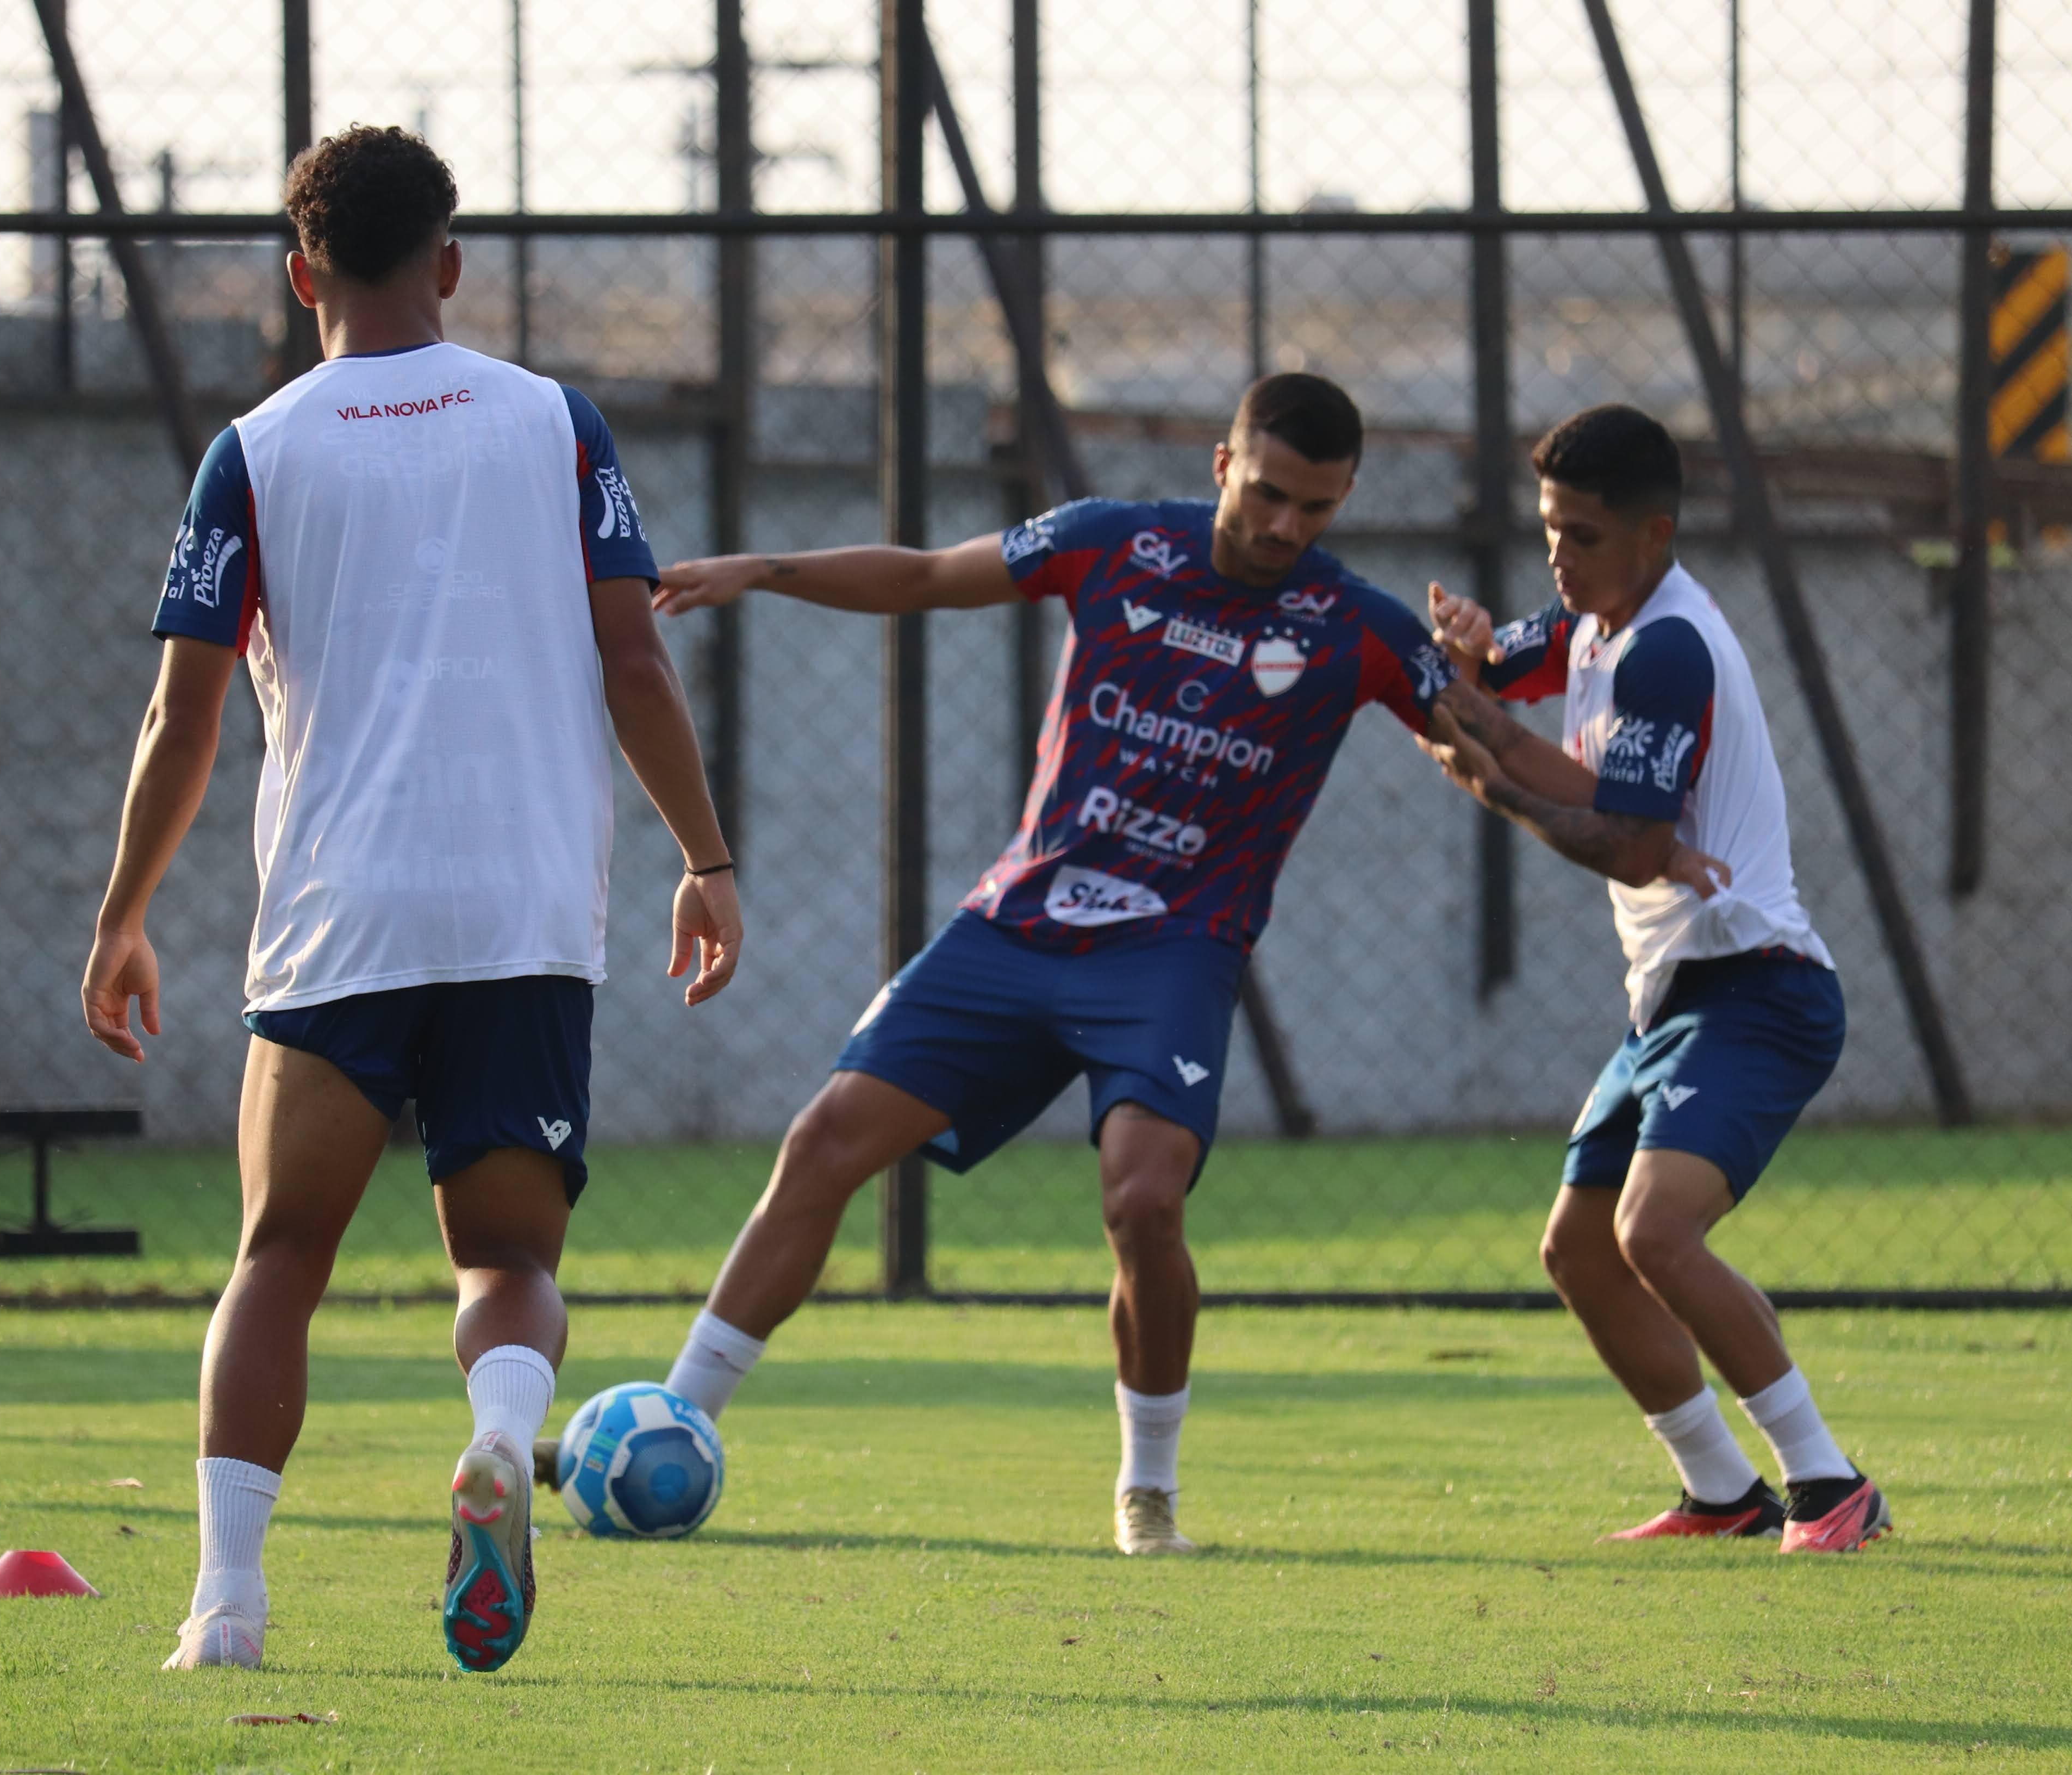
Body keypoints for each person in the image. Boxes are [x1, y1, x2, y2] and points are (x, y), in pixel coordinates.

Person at [79, 125, 743, 1674]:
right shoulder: (555, 423)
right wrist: (706, 862)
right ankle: (506, 1440)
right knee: (507, 1262)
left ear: (298, 272)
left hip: (339, 915)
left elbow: (183, 716)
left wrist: (123, 912)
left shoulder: (255, 447)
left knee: (279, 1257)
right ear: (449, 262)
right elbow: (636, 658)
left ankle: (225, 1609)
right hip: (522, 914)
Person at [620, 375, 1464, 1556]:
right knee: (822, 1143)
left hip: (1173, 951)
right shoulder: (1113, 543)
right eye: (1269, 493)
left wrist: (1510, 695)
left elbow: (1489, 738)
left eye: (1314, 508)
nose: (1285, 527)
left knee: (1142, 1199)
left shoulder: (1357, 626)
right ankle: (674, 1425)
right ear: (1224, 464)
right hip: (1018, 925)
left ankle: (1148, 1488)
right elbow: (921, 576)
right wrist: (762, 567)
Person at [1419, 402, 1887, 1552]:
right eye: (1547, 531)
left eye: (1580, 535)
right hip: (1679, 997)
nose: (1557, 557)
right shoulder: (1587, 622)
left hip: (1758, 990)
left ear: (1654, 535)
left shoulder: (1666, 646)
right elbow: (1480, 689)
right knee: (1577, 1250)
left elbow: (1617, 836)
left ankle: (1829, 1483)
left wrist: (1487, 762)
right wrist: (1467, 661)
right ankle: (1722, 1492)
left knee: (1653, 1234)